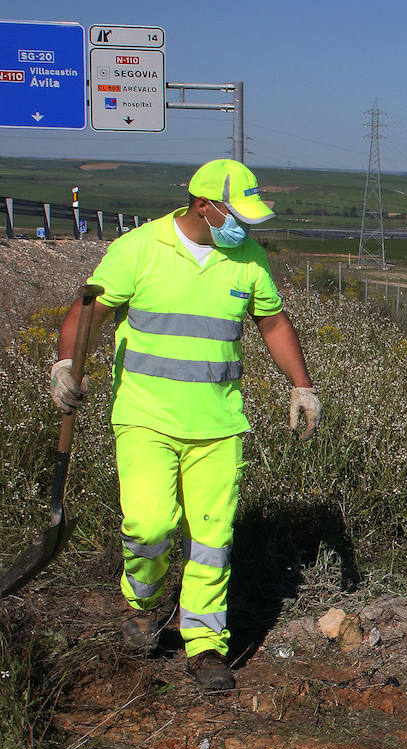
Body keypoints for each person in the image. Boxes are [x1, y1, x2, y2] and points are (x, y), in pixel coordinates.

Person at [48, 159, 320, 691]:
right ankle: (143, 606)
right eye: (235, 214)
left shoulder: (246, 257)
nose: (243, 225)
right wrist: (64, 363)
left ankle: (205, 644)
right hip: (145, 418)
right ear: (203, 205)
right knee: (149, 526)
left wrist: (301, 384)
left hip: (218, 422)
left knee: (213, 538)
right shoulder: (139, 249)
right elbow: (90, 311)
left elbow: (273, 322)